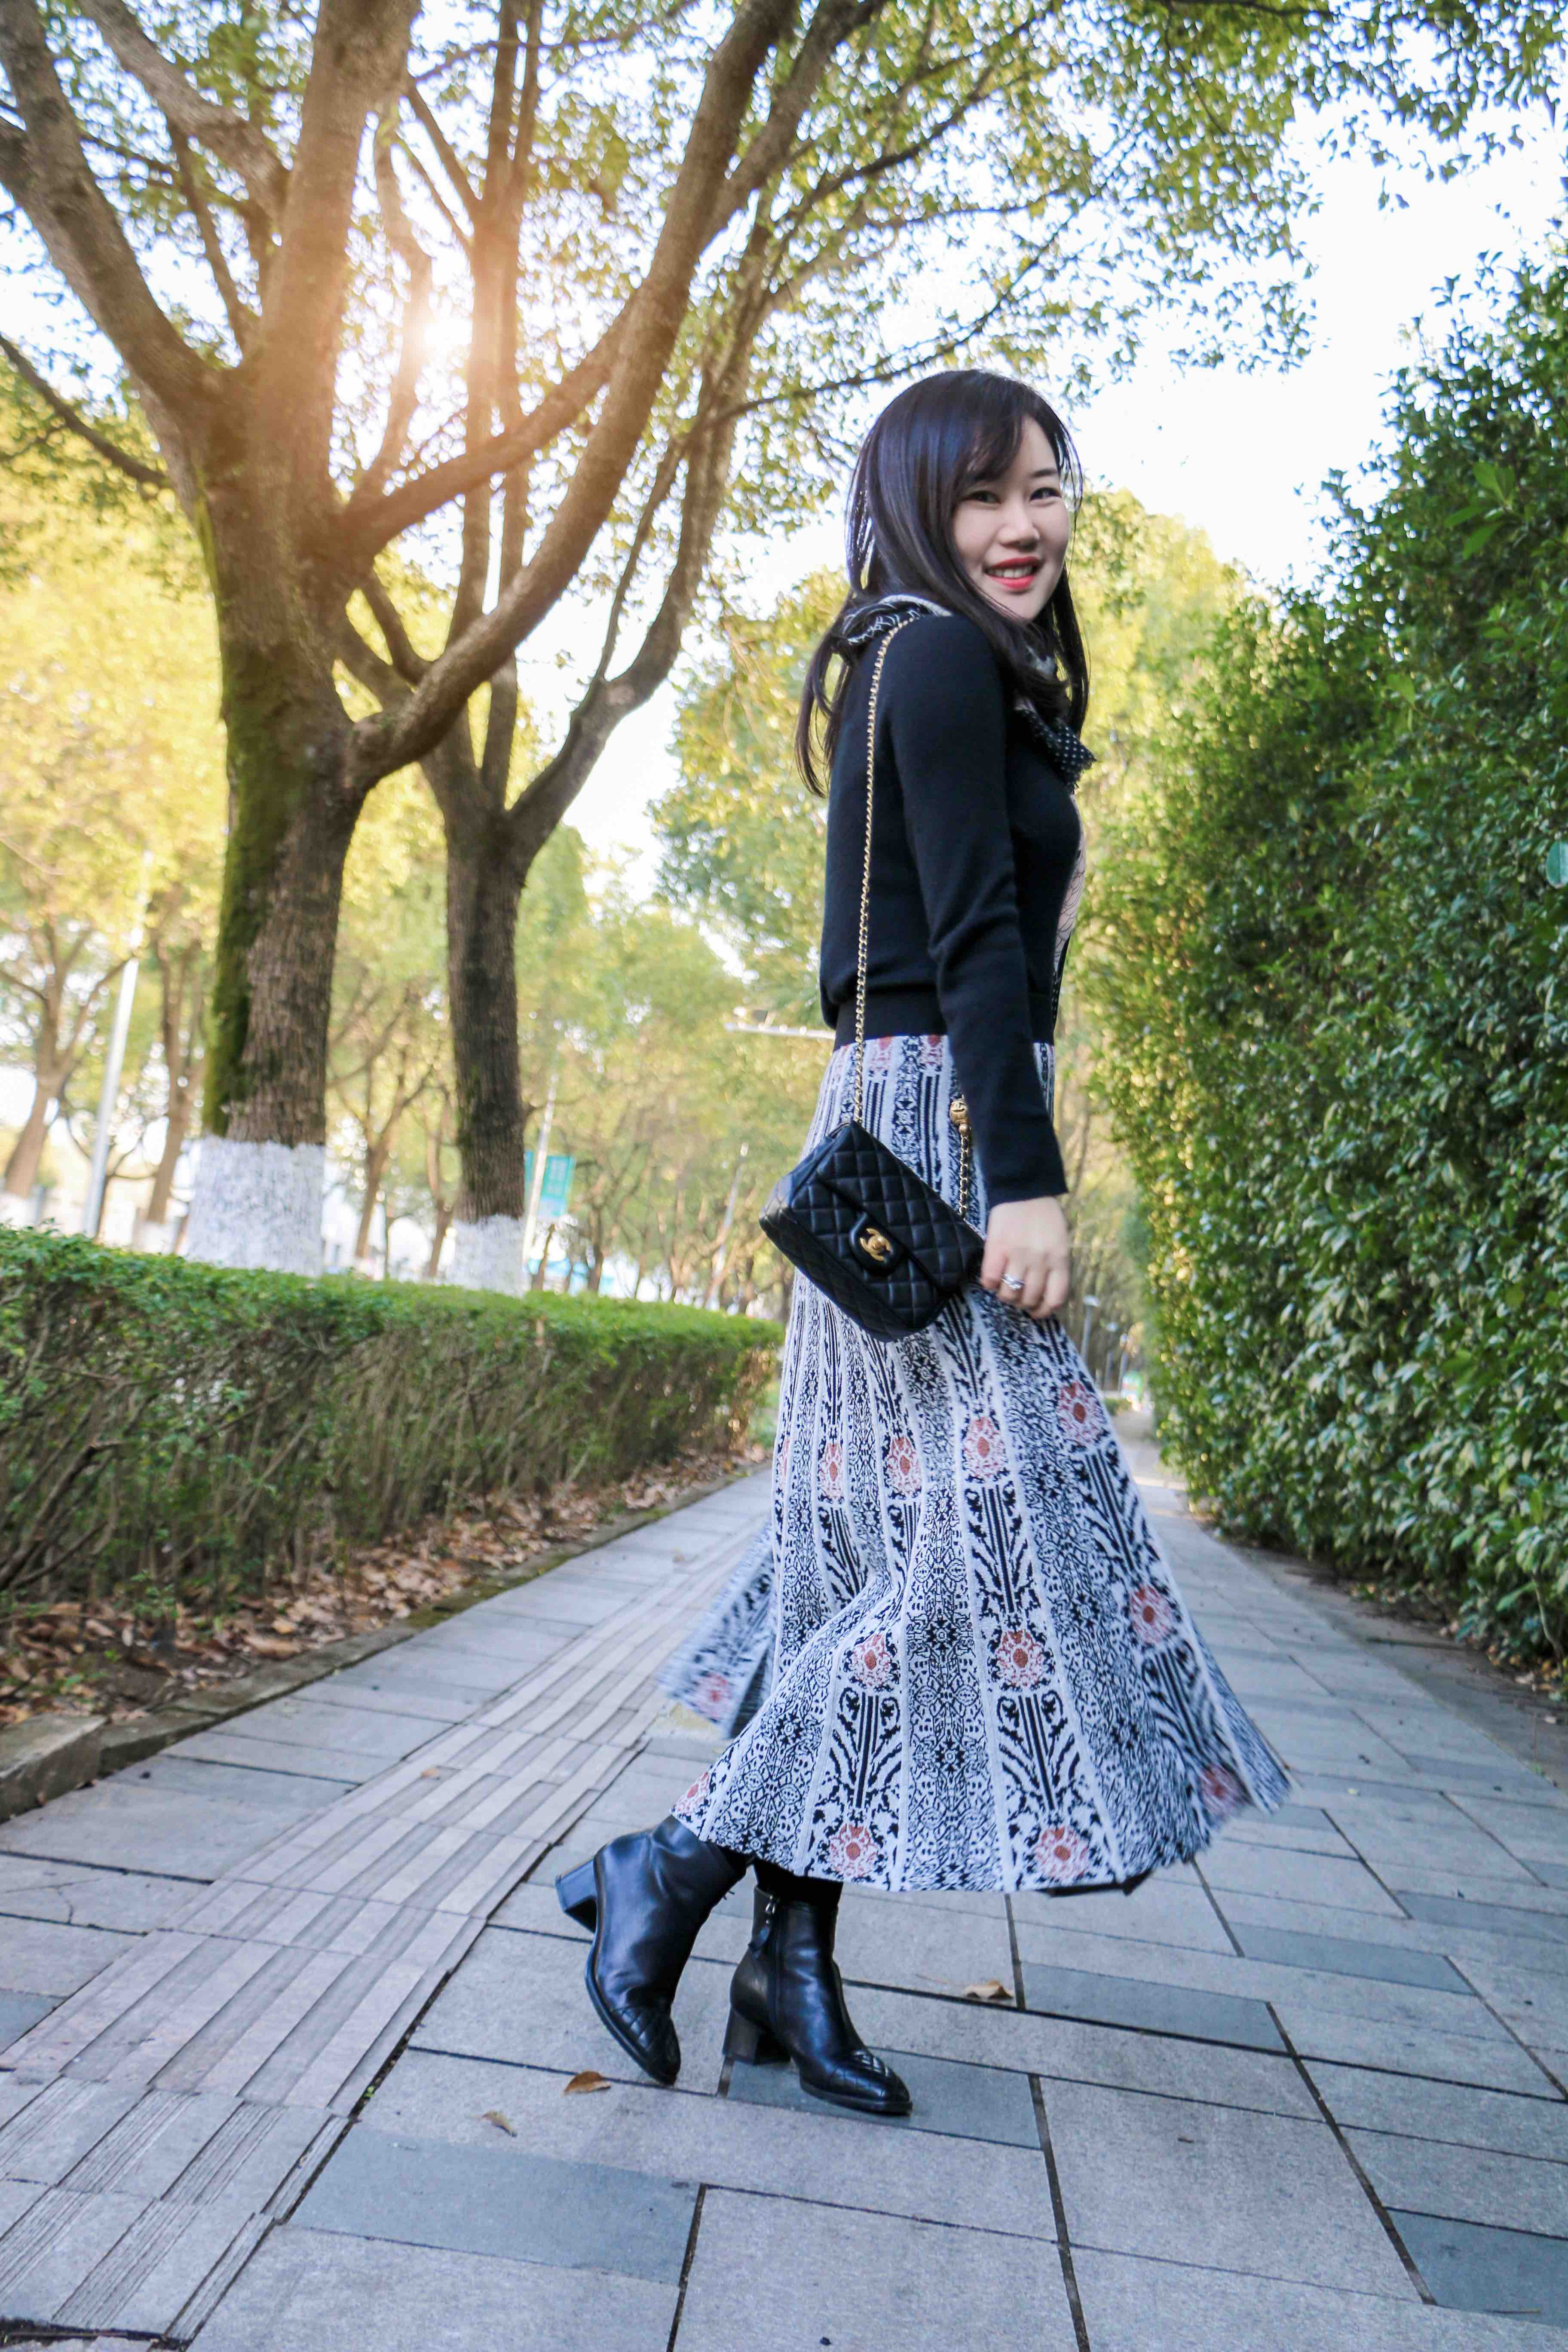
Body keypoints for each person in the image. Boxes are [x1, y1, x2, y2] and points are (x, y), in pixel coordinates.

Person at [557, 369, 1287, 2119]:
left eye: (1047, 488)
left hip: (898, 1117)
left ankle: (788, 1973)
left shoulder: (928, 657)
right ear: (916, 508)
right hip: (937, 1134)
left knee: (873, 1562)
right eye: (984, 497)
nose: (1026, 525)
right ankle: (672, 1865)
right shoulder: (941, 653)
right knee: (972, 1561)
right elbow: (971, 940)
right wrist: (1022, 1181)